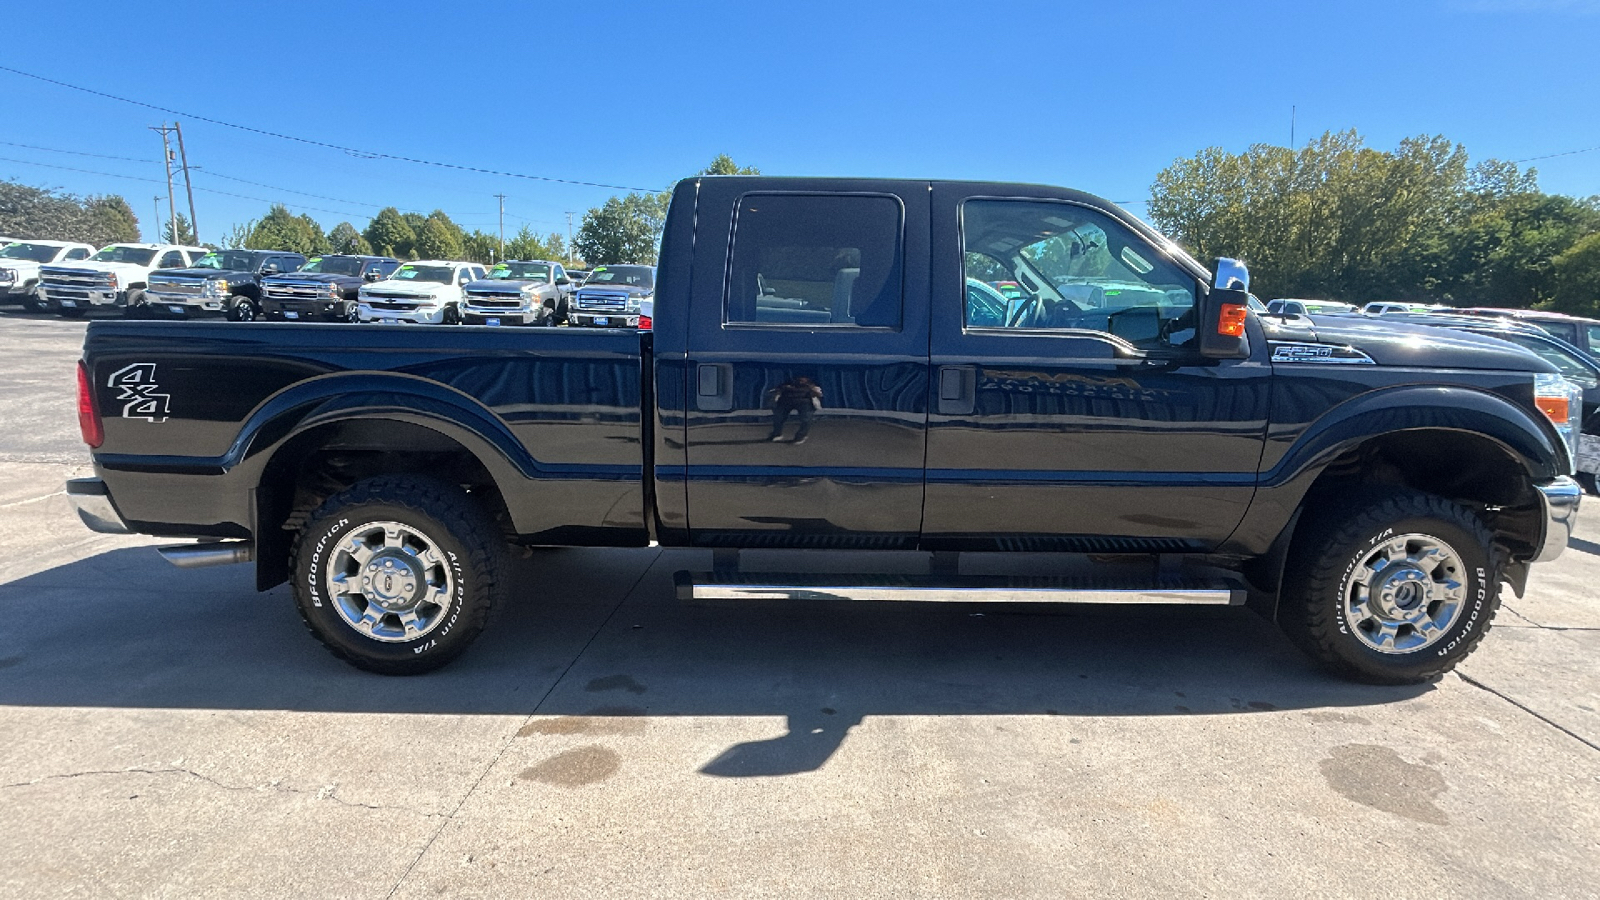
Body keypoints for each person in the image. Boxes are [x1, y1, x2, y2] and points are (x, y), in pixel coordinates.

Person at [766, 376, 823, 444]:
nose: (800, 380)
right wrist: (778, 392)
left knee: (806, 419)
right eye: (799, 378)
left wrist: (814, 392)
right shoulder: (785, 386)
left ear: (807, 379)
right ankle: (776, 433)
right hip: (786, 401)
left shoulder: (812, 387)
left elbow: (819, 395)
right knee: (778, 417)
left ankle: (801, 436)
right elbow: (773, 391)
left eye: (803, 379)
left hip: (804, 403)